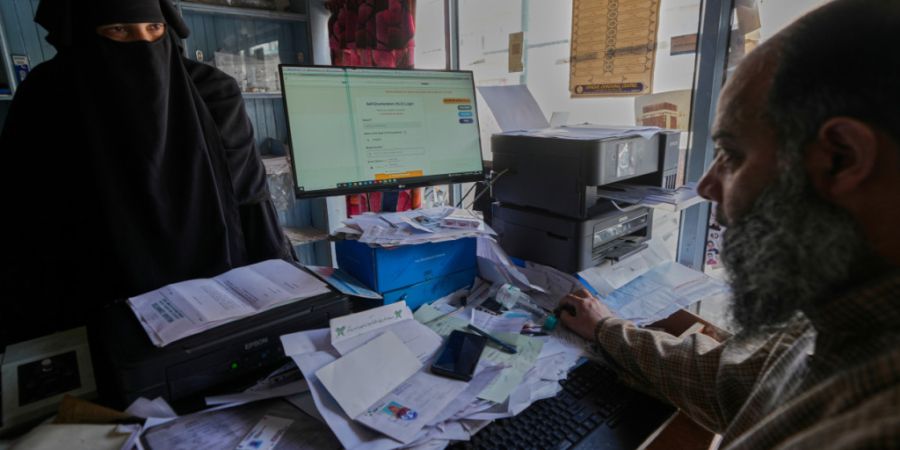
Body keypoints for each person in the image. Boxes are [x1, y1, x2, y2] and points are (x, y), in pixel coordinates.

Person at [560, 0, 899, 447]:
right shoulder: (837, 310)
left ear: (841, 158)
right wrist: (606, 329)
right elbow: (731, 381)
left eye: (733, 156)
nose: (705, 186)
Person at [0, 0, 292, 347]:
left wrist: (290, 300)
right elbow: (25, 227)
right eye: (119, 30)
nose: (142, 44)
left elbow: (251, 202)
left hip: (221, 305)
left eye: (154, 29)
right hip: (97, 308)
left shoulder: (214, 93)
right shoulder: (48, 97)